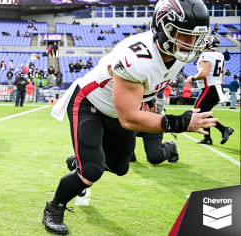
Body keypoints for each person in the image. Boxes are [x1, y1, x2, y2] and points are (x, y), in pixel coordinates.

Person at [45, 0, 215, 234]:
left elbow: (149, 87)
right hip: (90, 103)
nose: (191, 43)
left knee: (120, 167)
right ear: (163, 29)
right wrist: (181, 122)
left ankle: (77, 162)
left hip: (118, 110)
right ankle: (54, 207)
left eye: (194, 37)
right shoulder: (137, 56)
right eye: (184, 36)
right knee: (92, 171)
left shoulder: (174, 54)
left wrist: (151, 101)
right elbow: (129, 119)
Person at [187, 35, 234, 145]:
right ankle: (208, 137)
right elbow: (222, 72)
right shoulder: (220, 55)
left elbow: (204, 73)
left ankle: (223, 129)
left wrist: (192, 78)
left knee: (199, 111)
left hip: (209, 87)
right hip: (216, 87)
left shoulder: (206, 55)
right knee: (204, 112)